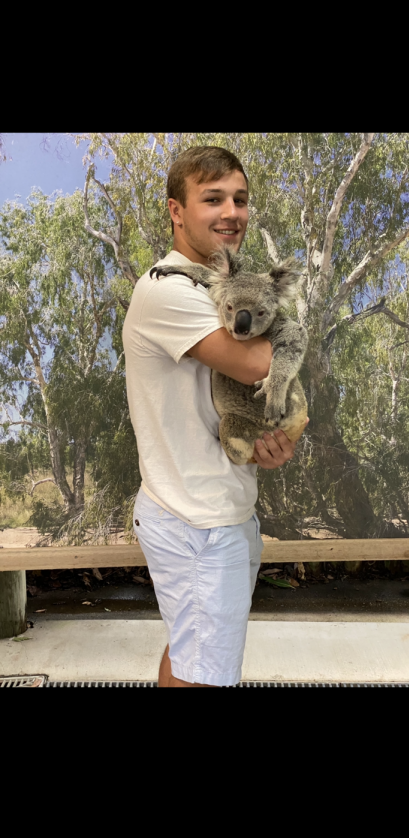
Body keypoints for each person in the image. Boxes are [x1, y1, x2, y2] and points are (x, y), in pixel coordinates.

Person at [122, 145, 309, 688]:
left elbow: (240, 392)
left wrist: (271, 437)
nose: (232, 212)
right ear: (176, 211)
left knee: (194, 650)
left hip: (217, 505)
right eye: (212, 199)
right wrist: (283, 343)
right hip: (195, 517)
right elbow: (256, 362)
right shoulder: (168, 287)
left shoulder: (222, 281)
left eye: (240, 199)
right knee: (205, 670)